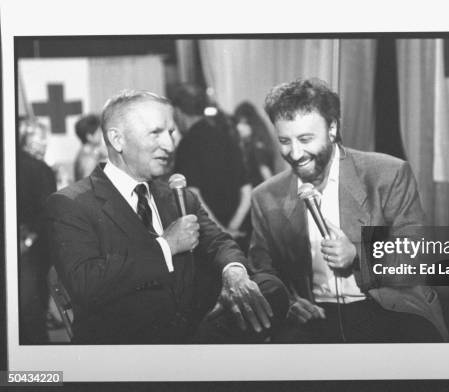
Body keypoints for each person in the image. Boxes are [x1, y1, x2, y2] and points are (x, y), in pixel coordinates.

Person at [45, 90, 288, 344]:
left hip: (189, 329)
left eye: (171, 133)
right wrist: (166, 247)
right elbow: (86, 283)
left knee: (269, 288)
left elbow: (219, 243)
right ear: (117, 140)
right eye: (156, 133)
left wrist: (234, 274)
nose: (170, 146)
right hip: (127, 344)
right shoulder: (71, 203)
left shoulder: (176, 195)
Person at [249, 79, 447, 343]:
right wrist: (289, 302)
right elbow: (263, 271)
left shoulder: (388, 174)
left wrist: (357, 254)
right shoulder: (265, 197)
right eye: (285, 141)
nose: (295, 154)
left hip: (387, 307)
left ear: (332, 128)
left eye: (306, 139)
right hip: (314, 317)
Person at [171, 84, 252, 242]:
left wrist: (220, 230)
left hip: (208, 236)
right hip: (240, 232)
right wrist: (233, 228)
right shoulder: (227, 137)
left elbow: (192, 194)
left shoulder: (187, 144)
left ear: (178, 112)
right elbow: (247, 190)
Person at [18, 117, 57, 343]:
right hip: (34, 249)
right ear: (26, 138)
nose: (45, 143)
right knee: (34, 311)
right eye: (41, 138)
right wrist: (29, 240)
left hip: (25, 246)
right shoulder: (39, 169)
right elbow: (46, 211)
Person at [233, 101, 276, 187]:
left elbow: (265, 170)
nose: (239, 127)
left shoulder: (257, 146)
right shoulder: (257, 142)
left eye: (243, 123)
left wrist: (274, 193)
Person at [74, 114, 108, 181]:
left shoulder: (86, 153)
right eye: (98, 132)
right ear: (89, 136)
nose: (101, 134)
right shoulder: (89, 160)